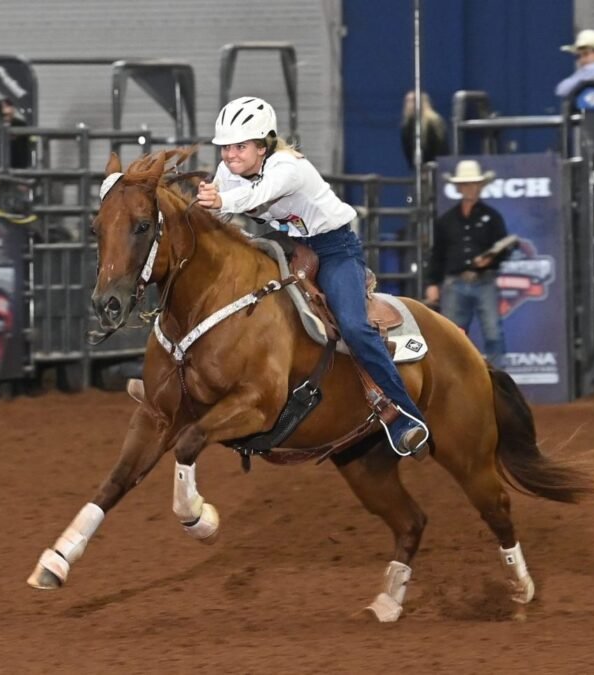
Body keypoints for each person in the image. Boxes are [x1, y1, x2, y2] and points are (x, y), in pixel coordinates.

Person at [195, 96, 429, 458]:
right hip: (288, 245)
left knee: (353, 325)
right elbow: (219, 218)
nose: (229, 155)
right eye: (225, 147)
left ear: (263, 145)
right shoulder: (229, 172)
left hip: (334, 249)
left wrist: (219, 202)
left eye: (239, 146)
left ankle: (405, 416)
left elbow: (257, 196)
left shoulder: (288, 168)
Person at [424, 160, 513, 369]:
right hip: (455, 283)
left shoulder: (492, 218)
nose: (470, 189)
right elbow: (438, 253)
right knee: (452, 335)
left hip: (484, 281)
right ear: (459, 188)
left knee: (493, 332)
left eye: (473, 184)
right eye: (466, 185)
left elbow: (505, 249)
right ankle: (453, 380)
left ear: (480, 187)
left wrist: (492, 260)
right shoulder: (446, 221)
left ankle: (498, 380)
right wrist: (433, 283)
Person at [400, 91, 448, 169]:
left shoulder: (434, 122)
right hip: (418, 167)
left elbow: (441, 148)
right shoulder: (407, 125)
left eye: (413, 101)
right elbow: (408, 151)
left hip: (436, 166)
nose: (410, 104)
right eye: (407, 101)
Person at [0, 98, 33, 169]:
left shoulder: (21, 124)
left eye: (8, 107)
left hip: (17, 167)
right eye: (4, 114)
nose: (6, 115)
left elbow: (27, 147)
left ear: (13, 110)